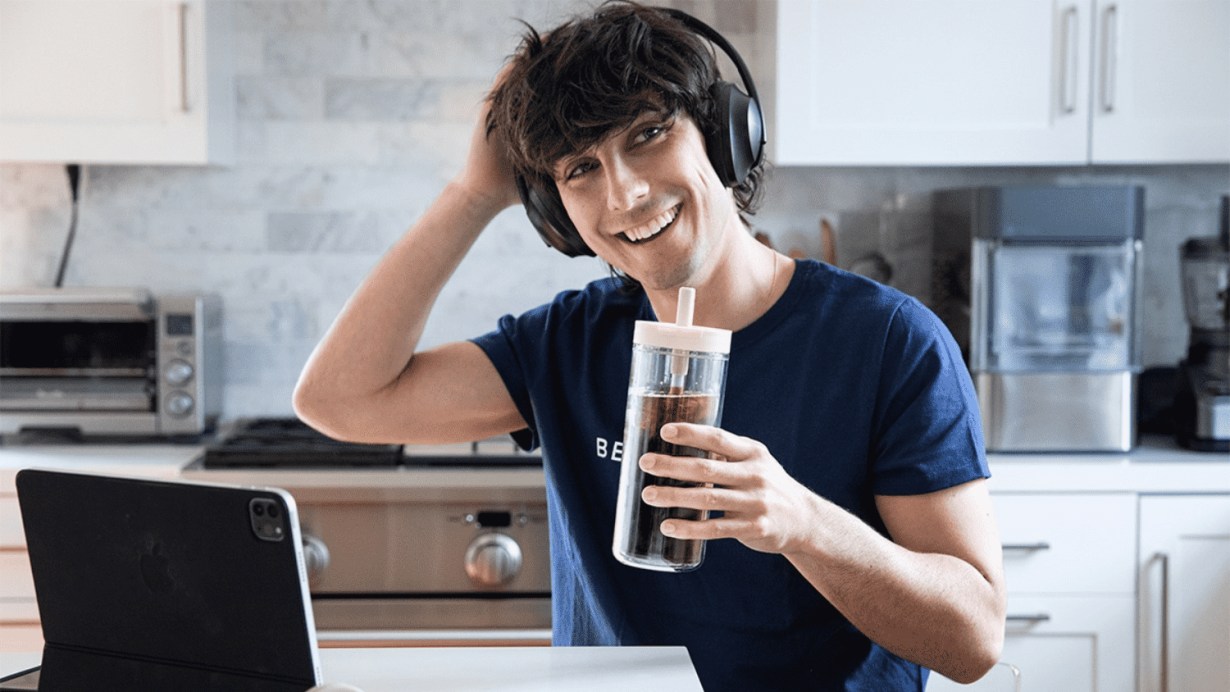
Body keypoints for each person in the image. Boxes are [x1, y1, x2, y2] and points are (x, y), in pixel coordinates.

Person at [293, 2, 1006, 690]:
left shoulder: (890, 344)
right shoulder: (569, 343)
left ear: (724, 135)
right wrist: (474, 192)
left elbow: (972, 642)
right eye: (580, 170)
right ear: (555, 215)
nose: (625, 194)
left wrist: (803, 523)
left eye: (646, 135)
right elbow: (338, 400)